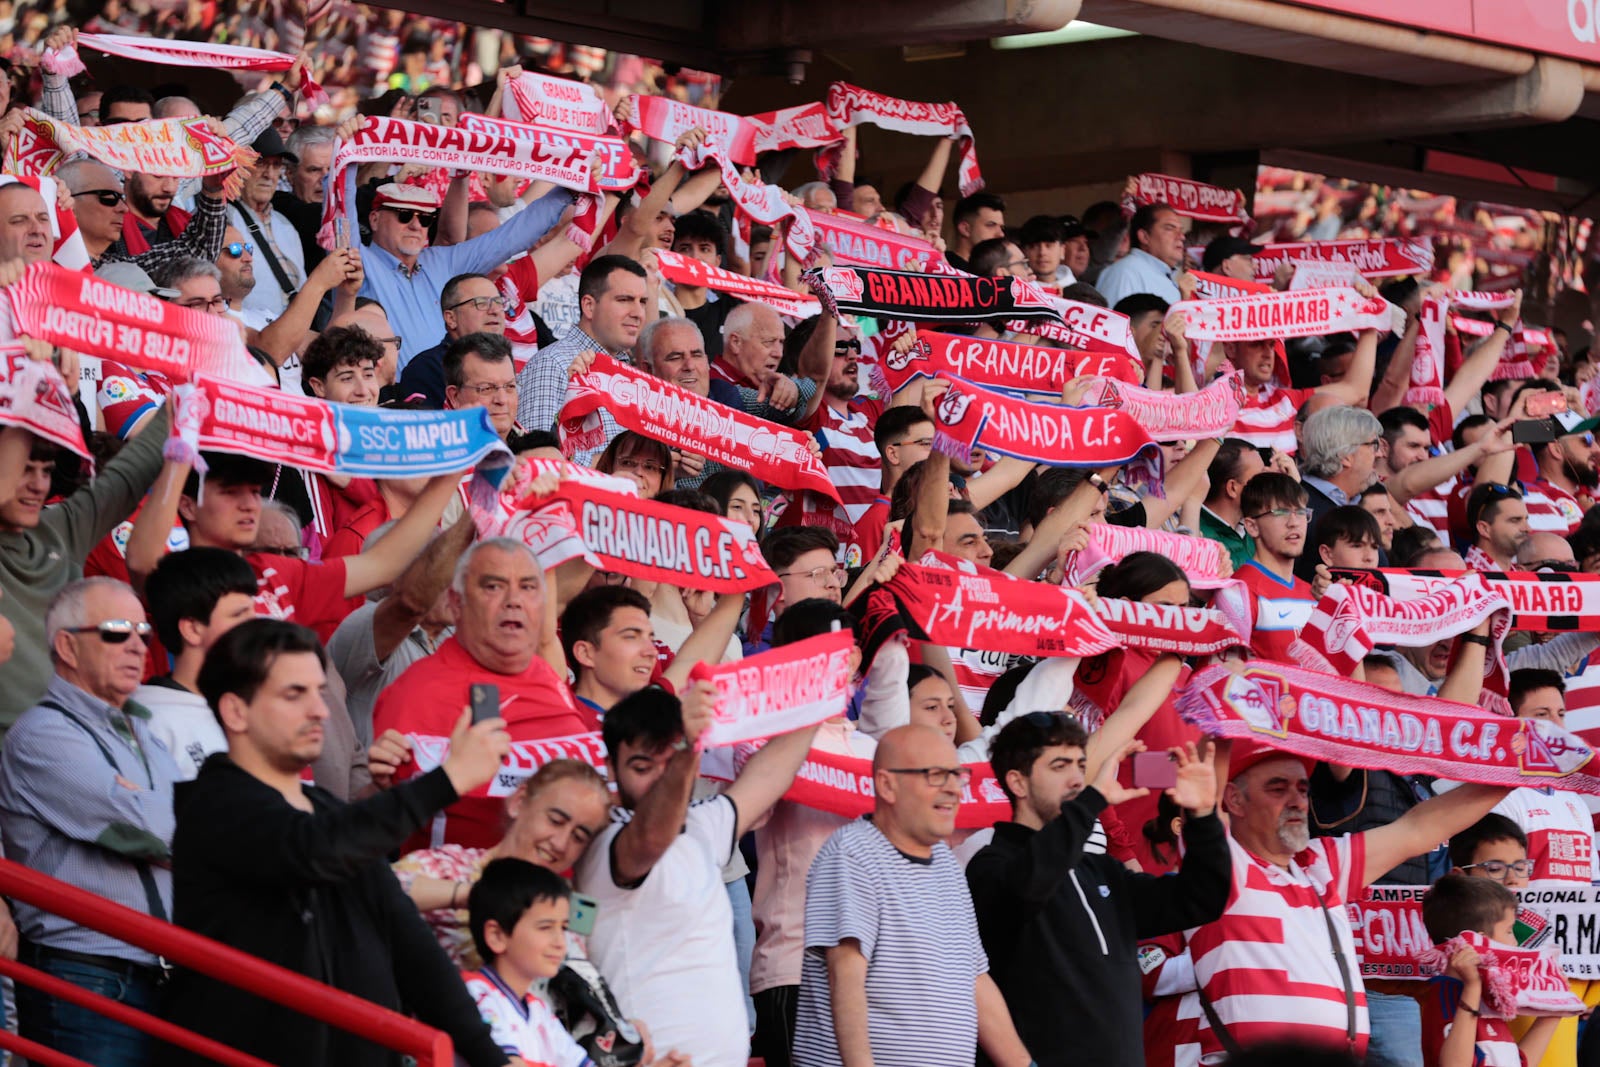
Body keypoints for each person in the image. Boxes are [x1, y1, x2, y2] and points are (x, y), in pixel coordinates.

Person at [165, 618, 516, 1067]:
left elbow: (414, 951)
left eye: (319, 691)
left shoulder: (331, 814)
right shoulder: (214, 804)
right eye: (295, 694)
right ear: (236, 711)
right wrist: (448, 780)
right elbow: (311, 851)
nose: (320, 710)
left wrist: (494, 1059)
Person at [1165, 740, 1513, 1063]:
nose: (1297, 801)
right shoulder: (1222, 866)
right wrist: (1228, 702)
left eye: (1303, 789)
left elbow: (1419, 830)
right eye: (1277, 788)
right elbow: (1206, 799)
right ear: (1234, 800)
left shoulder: (1320, 864)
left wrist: (1516, 772)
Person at [574, 680, 823, 1067]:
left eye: (669, 764)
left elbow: (770, 773)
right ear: (610, 767)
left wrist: (821, 698)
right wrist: (685, 752)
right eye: (642, 767)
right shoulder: (603, 838)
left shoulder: (703, 823)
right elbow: (652, 836)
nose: (660, 779)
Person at [968, 714, 1230, 1067]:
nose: (1077, 779)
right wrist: (1090, 802)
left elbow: (1200, 900)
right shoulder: (991, 865)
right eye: (1059, 766)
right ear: (1018, 782)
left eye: (1081, 765)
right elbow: (1027, 888)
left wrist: (1202, 816)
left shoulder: (1102, 870)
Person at [0, 578, 171, 1066]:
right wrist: (173, 810)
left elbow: (195, 823)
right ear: (67, 646)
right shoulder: (42, 734)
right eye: (118, 630)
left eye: (143, 630)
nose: (138, 643)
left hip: (154, 975)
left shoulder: (144, 731)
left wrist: (173, 811)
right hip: (87, 978)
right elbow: (156, 831)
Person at [793, 724, 1032, 1067]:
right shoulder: (852, 852)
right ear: (887, 784)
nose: (953, 789)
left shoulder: (947, 866)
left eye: (956, 775)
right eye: (936, 775)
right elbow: (845, 974)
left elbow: (975, 980)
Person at [370, 538, 599, 851]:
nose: (513, 600)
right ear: (455, 602)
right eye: (493, 586)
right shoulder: (419, 692)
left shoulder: (547, 674)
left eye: (528, 587)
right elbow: (380, 823)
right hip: (460, 887)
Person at [0, 402, 170, 726]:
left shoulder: (60, 530)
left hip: (77, 742)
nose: (38, 485)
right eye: (23, 469)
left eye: (46, 471)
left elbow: (128, 475)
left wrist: (192, 394)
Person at [394, 760, 612, 968]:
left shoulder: (566, 911)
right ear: (519, 802)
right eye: (555, 821)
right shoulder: (448, 868)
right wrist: (481, 897)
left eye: (579, 837)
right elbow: (374, 893)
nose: (561, 843)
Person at [348, 179, 573, 369]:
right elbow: (341, 208)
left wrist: (570, 190)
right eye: (404, 215)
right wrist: (346, 154)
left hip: (447, 395)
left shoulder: (441, 261)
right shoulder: (358, 257)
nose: (416, 226)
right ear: (375, 219)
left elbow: (512, 236)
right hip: (389, 402)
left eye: (425, 218)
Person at [462, 858, 622, 1067]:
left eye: (563, 928)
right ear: (497, 936)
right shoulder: (476, 993)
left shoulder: (539, 1010)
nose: (560, 943)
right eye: (545, 927)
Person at [136, 547, 259, 780]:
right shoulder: (149, 721)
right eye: (239, 616)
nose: (256, 627)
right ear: (192, 629)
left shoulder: (252, 707)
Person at [1418, 874, 1560, 1067]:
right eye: (1509, 931)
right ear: (1479, 942)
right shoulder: (1447, 995)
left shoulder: (1485, 997)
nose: (1515, 943)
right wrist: (1472, 988)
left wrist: (1554, 1012)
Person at [515, 255, 648, 449]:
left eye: (643, 301)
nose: (638, 313)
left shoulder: (631, 374)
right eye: (624, 300)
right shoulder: (553, 364)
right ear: (589, 306)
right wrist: (612, 463)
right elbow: (538, 458)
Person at [1235, 472, 1316, 663]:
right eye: (1281, 513)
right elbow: (1220, 678)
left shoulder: (1312, 593)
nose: (1294, 522)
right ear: (1252, 526)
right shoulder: (1238, 592)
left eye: (1301, 512)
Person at [398, 273, 508, 408]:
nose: (495, 310)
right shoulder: (425, 369)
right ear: (451, 318)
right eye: (481, 303)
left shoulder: (505, 362)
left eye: (499, 302)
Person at [1096, 202, 1185, 307]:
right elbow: (1114, 322)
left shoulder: (1160, 274)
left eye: (1180, 230)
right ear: (1144, 237)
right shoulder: (1125, 273)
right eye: (1170, 228)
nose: (1181, 237)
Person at [1200, 438, 1265, 570]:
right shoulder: (1199, 537)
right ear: (1233, 488)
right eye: (1261, 480)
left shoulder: (1256, 528)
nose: (1267, 486)